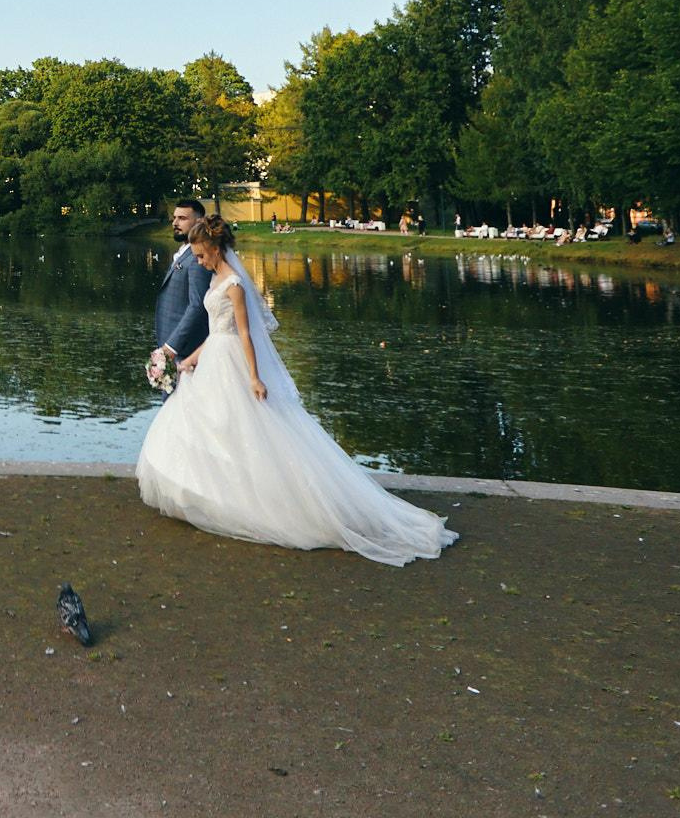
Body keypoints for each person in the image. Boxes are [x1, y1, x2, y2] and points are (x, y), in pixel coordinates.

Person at [136, 217, 457, 564]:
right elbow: (215, 332)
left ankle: (261, 504)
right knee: (213, 428)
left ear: (215, 249)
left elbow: (244, 335)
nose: (198, 262)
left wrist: (255, 378)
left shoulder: (234, 285)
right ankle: (220, 496)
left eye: (201, 255)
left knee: (247, 430)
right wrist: (189, 361)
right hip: (214, 356)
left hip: (232, 363)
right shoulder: (215, 278)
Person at [147, 198, 215, 389]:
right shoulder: (186, 252)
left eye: (182, 218)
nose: (175, 223)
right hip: (174, 347)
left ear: (199, 222)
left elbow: (197, 306)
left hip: (185, 350)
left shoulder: (197, 259)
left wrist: (171, 347)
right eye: (174, 218)